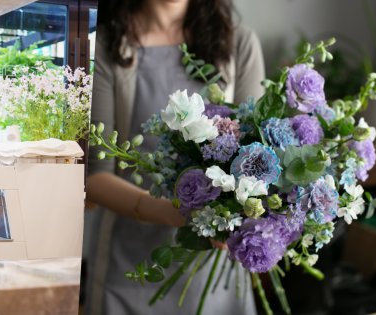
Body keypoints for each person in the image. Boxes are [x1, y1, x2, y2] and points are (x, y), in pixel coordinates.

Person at [85, 0, 266, 314]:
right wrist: (175, 212)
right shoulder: (105, 44)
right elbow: (95, 177)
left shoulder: (239, 43)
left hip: (215, 269)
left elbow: (257, 157)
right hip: (128, 264)